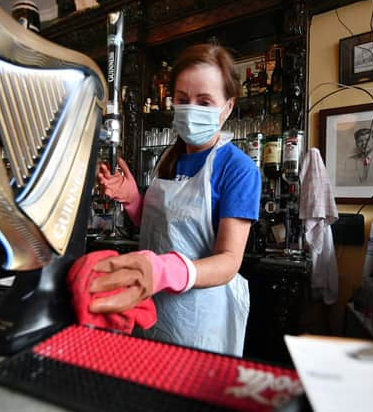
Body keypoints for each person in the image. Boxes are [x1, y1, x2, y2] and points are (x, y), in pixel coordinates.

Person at [71, 44, 262, 356]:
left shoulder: (238, 169)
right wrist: (133, 200)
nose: (191, 109)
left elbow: (228, 261)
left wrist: (163, 271)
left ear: (227, 107)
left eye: (204, 101)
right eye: (183, 100)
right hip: (150, 306)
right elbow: (162, 229)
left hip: (200, 320)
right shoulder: (167, 159)